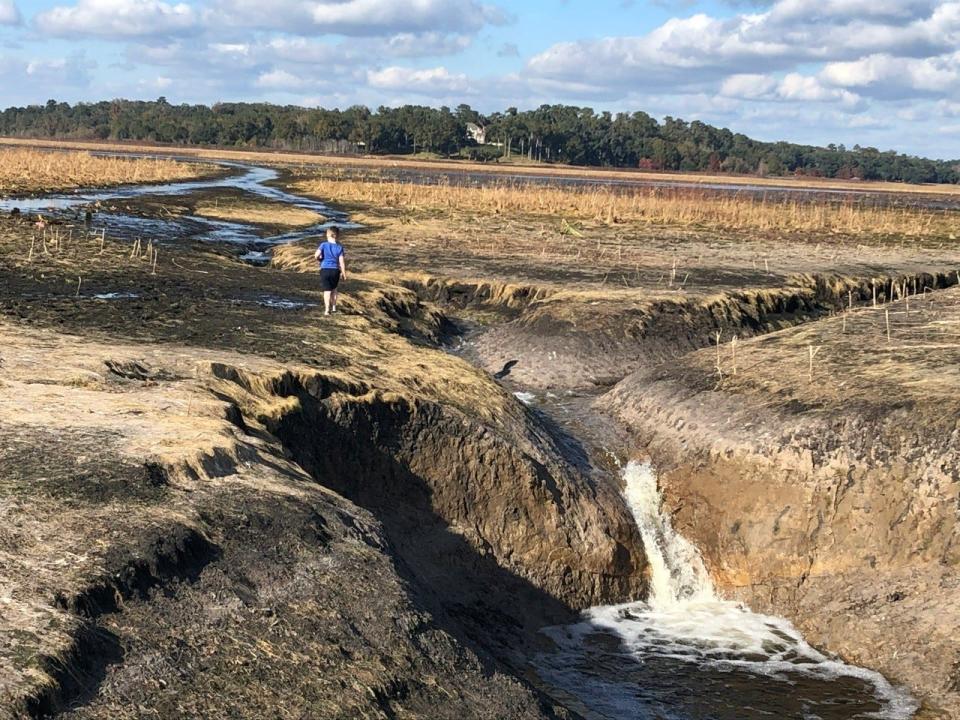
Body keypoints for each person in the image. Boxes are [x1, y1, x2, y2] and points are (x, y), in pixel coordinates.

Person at [314, 226, 347, 315]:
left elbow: (316, 255)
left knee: (327, 290)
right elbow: (342, 262)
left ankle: (326, 310)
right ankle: (334, 307)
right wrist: (344, 273)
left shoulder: (323, 245)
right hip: (335, 271)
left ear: (328, 235)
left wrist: (320, 259)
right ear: (337, 236)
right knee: (334, 289)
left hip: (325, 269)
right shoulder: (340, 247)